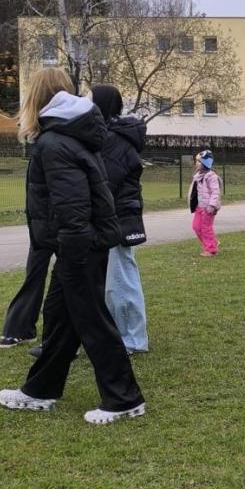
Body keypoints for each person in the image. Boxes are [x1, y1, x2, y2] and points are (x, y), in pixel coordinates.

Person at [0, 67, 145, 423]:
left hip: (80, 248)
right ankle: (40, 390)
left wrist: (74, 253)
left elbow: (73, 206)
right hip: (79, 247)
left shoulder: (55, 143)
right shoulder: (67, 136)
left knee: (93, 321)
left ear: (36, 98)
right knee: (62, 320)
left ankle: (124, 399)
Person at [90, 85, 149, 353]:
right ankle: (117, 332)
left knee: (120, 280)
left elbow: (105, 181)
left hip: (117, 218)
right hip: (110, 217)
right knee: (111, 280)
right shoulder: (108, 136)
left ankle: (132, 339)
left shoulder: (114, 140)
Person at [190, 150, 222, 255]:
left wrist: (212, 205)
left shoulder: (211, 176)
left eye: (198, 161)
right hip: (199, 206)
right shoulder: (198, 176)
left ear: (205, 163)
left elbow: (215, 192)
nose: (196, 163)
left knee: (206, 228)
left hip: (208, 208)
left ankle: (210, 249)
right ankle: (213, 242)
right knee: (196, 226)